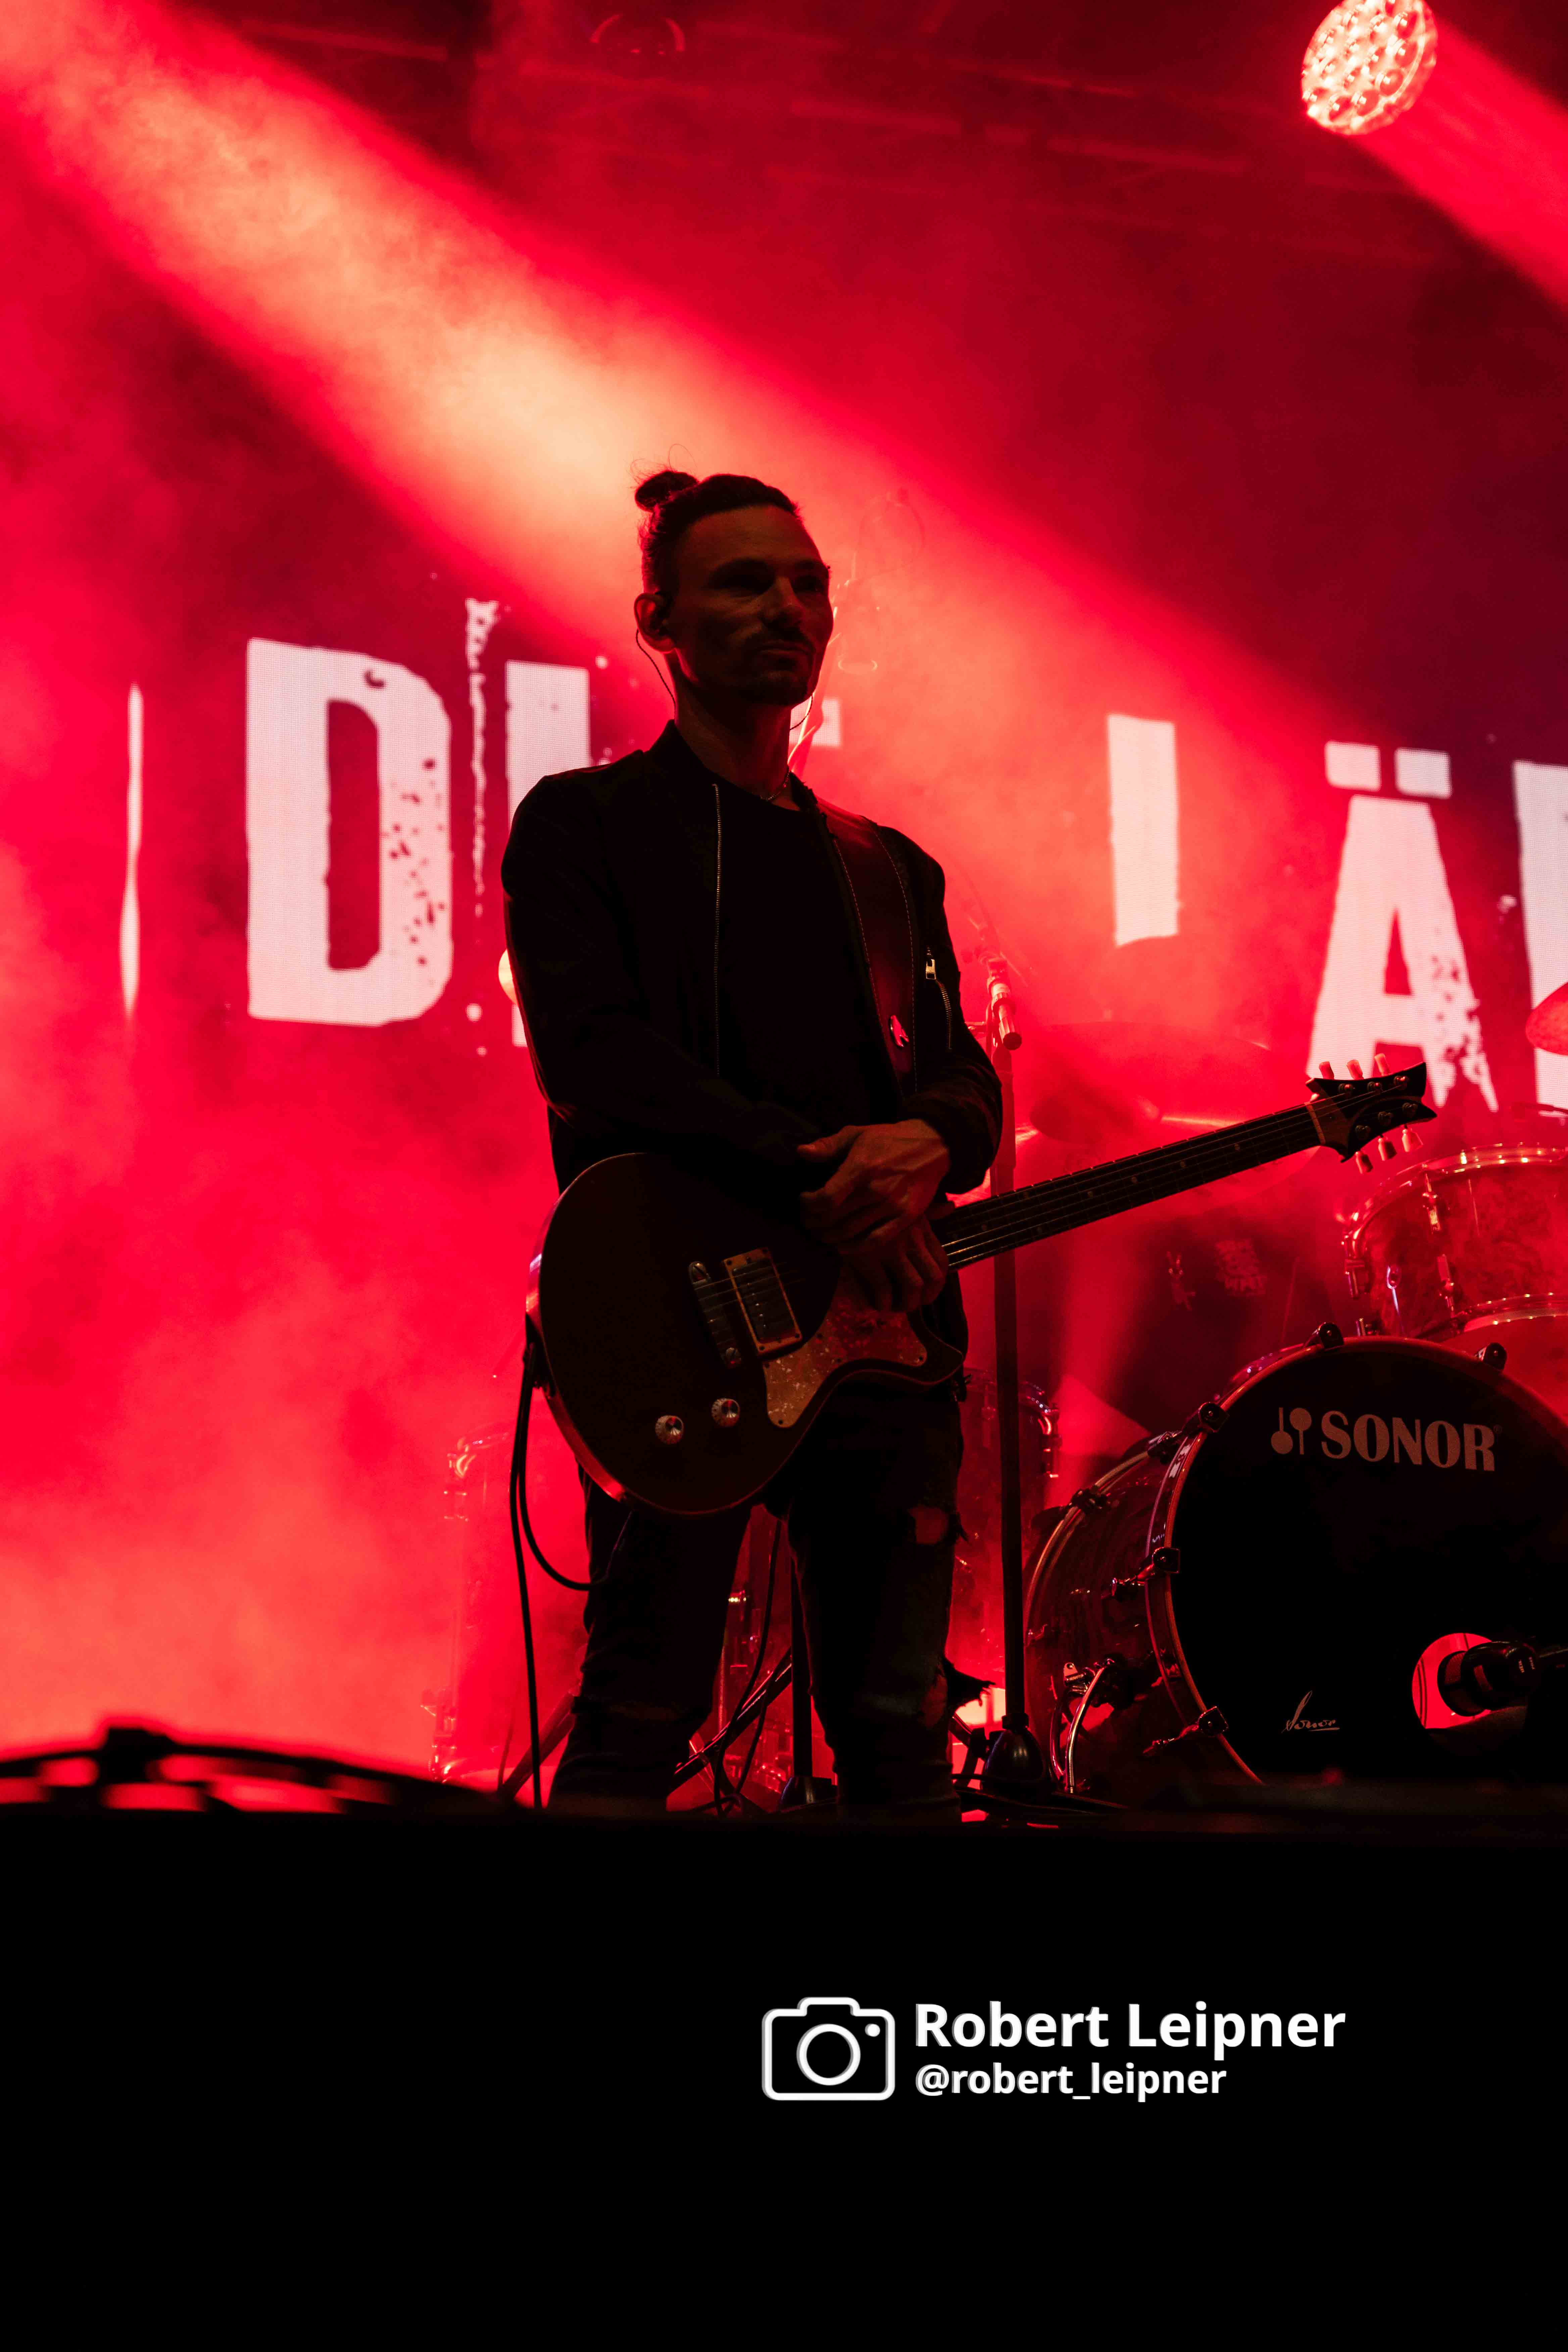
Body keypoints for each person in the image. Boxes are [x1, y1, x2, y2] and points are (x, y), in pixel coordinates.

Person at [501, 468, 1002, 1815]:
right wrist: (829, 1173)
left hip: (879, 1335)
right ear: (658, 620)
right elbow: (595, 1059)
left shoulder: (887, 868)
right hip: (678, 1307)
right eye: (742, 582)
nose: (785, 607)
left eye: (806, 583)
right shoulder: (586, 824)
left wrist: (932, 1145)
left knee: (896, 1730)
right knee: (640, 1708)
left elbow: (963, 1079)